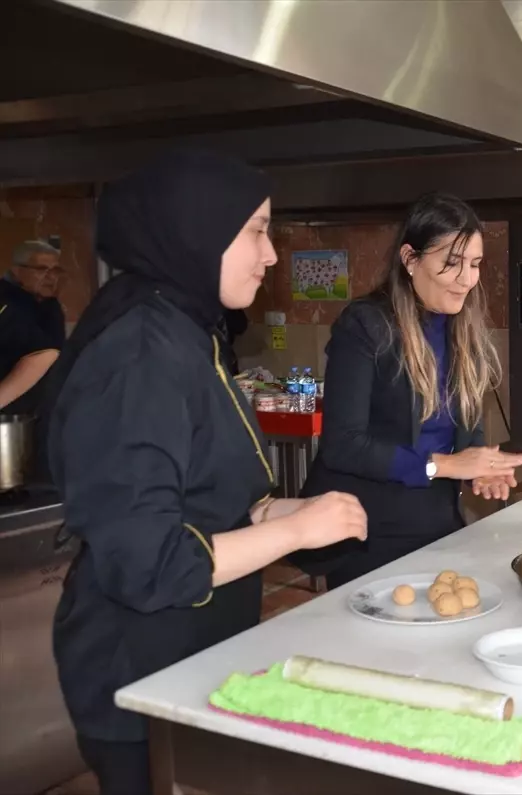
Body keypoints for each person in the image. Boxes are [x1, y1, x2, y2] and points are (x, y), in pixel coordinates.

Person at [40, 150, 368, 795]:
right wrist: (295, 534)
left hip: (193, 659)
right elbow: (149, 562)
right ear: (196, 229)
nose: (269, 255)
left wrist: (290, 511)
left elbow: (215, 500)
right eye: (256, 231)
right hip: (137, 675)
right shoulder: (140, 353)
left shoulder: (191, 333)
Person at [298, 193, 522, 590]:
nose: (467, 279)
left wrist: (479, 467)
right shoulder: (365, 326)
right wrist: (446, 466)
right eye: (452, 263)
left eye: (474, 264)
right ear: (410, 259)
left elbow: (464, 422)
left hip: (436, 522)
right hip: (367, 531)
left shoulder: (463, 328)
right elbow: (343, 445)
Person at [0, 240, 66, 413]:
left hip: (40, 412)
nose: (51, 277)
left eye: (55, 270)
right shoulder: (7, 303)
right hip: (11, 415)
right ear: (17, 271)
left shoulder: (48, 304)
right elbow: (42, 355)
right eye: (42, 269)